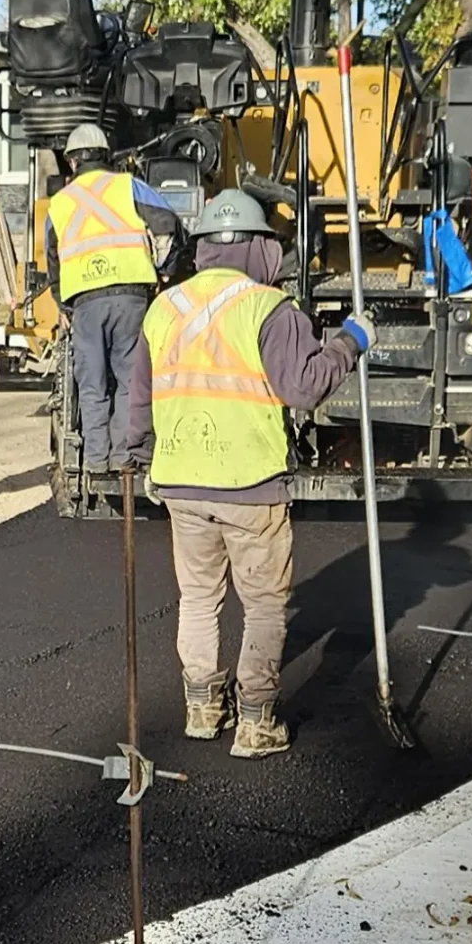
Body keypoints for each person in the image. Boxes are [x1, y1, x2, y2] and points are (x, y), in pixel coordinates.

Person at [121, 188, 369, 759]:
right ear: (261, 247)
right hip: (250, 485)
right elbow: (303, 387)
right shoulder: (269, 308)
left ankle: (203, 708)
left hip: (181, 481)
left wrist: (138, 455)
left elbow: (141, 398)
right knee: (261, 604)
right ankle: (256, 721)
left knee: (199, 598)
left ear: (204, 247)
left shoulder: (165, 308)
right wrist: (350, 342)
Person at [43, 122, 184, 474]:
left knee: (92, 383)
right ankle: (124, 457)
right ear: (108, 156)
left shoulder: (59, 205)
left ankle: (95, 461)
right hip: (132, 297)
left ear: (71, 162)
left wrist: (63, 305)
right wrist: (165, 268)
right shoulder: (130, 185)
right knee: (129, 379)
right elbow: (169, 223)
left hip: (86, 303)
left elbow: (52, 258)